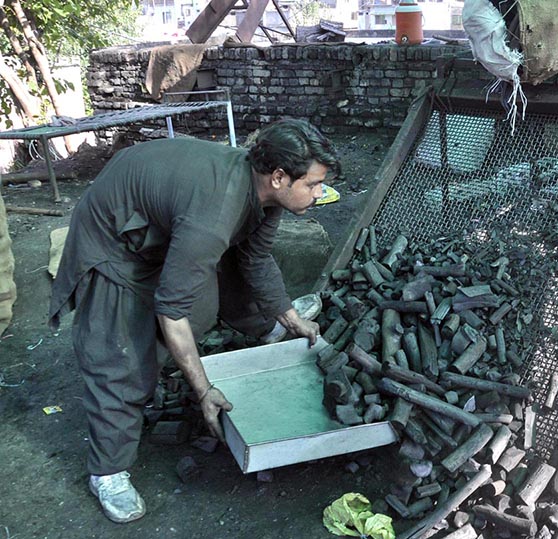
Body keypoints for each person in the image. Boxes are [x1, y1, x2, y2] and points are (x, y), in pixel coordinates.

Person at [48, 119, 340, 524]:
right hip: (114, 238)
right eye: (313, 184)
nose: (320, 193)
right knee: (122, 359)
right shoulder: (215, 211)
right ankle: (108, 471)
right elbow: (172, 310)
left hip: (162, 228)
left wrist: (290, 319)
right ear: (278, 176)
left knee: (200, 306)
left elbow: (255, 258)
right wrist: (204, 391)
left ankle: (260, 330)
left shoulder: (266, 195)